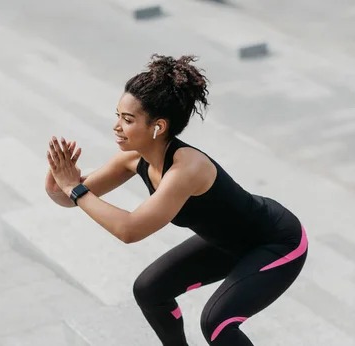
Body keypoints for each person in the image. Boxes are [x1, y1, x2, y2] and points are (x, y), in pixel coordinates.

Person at [45, 54, 308, 346]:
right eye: (118, 116)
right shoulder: (133, 159)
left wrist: (74, 189)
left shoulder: (187, 168)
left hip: (276, 242)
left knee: (217, 323)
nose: (116, 126)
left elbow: (130, 230)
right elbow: (70, 199)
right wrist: (58, 181)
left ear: (158, 126)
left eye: (128, 119)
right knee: (149, 290)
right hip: (229, 242)